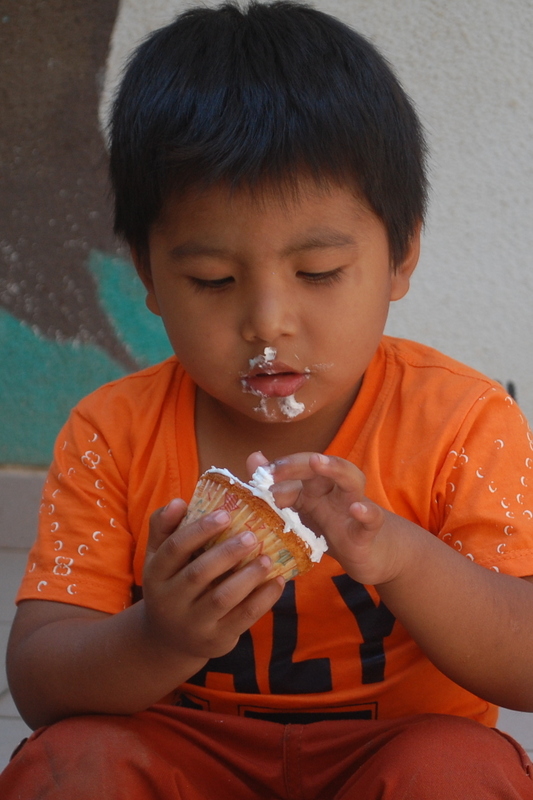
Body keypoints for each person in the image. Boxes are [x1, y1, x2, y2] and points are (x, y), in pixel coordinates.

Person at [2, 2, 533, 797]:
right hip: (182, 751)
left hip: (386, 755)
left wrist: (400, 558)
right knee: (71, 764)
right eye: (212, 280)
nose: (267, 322)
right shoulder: (112, 433)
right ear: (148, 275)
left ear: (400, 257)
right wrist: (159, 637)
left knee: (458, 771)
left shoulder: (461, 422)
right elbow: (42, 685)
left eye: (317, 272)